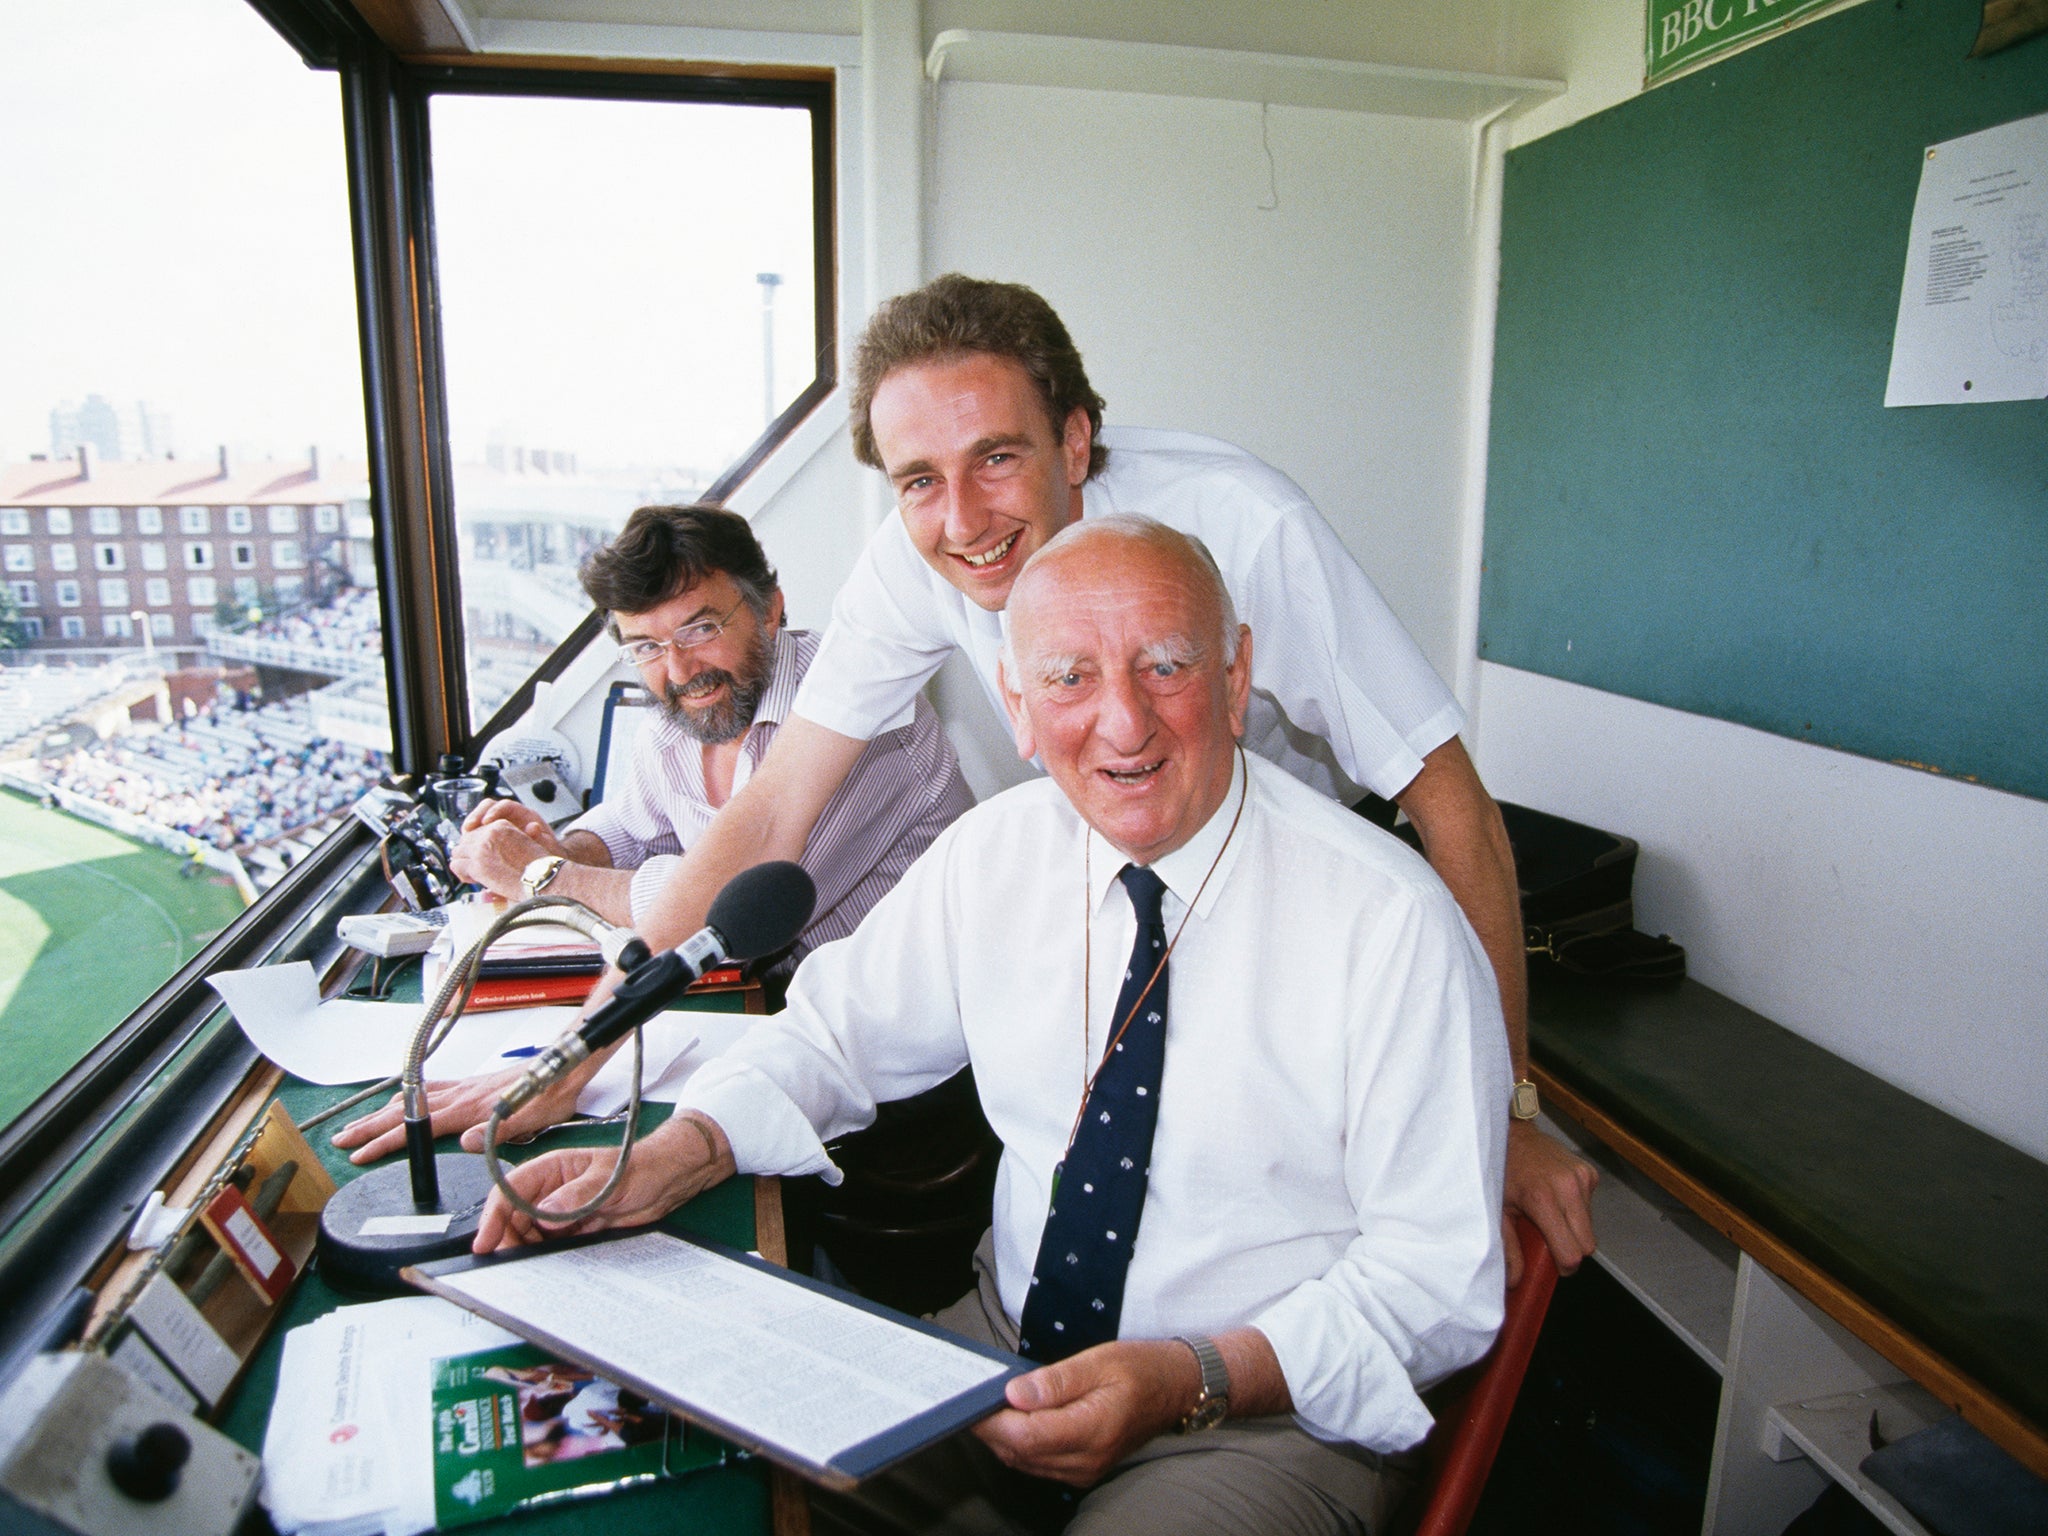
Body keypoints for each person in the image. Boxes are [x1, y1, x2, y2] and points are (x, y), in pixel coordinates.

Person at [476, 520, 1510, 1535]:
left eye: (1164, 665)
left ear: (1235, 679)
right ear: (1014, 705)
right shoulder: (996, 854)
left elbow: (1438, 1284)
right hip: (998, 1356)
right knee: (728, 1489)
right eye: (1067, 679)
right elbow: (831, 1034)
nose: (1122, 724)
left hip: (1263, 1416)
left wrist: (1188, 1377)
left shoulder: (1390, 922)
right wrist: (681, 1151)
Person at [606, 275, 1593, 1282]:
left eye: (997, 456)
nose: (962, 519)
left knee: (1261, 1206)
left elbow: (1449, 799)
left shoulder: (1244, 524)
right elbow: (772, 807)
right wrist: (610, 1023)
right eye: (919, 480)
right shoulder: (921, 556)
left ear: (1073, 442)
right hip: (1111, 862)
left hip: (1276, 877)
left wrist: (1505, 1107)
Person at [331, 504, 973, 1164]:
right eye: (646, 647)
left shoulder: (862, 723)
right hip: (780, 1015)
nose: (679, 669)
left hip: (902, 1076)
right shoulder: (683, 716)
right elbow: (631, 826)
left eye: (699, 628)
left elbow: (728, 914)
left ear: (771, 609)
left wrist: (540, 877)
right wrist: (563, 847)